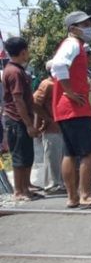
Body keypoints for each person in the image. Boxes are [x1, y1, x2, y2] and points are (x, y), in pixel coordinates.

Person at [50, 10, 91, 209]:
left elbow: (54, 66)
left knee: (71, 153)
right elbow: (57, 65)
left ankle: (73, 197)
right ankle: (86, 194)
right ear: (72, 28)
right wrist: (68, 90)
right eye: (84, 25)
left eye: (88, 24)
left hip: (68, 107)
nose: (88, 28)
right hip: (74, 107)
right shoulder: (71, 44)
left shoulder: (75, 46)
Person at [1, 37, 40, 201]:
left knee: (26, 155)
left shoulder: (16, 70)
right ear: (23, 52)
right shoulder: (15, 72)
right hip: (16, 119)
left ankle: (25, 188)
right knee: (19, 156)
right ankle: (19, 191)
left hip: (20, 119)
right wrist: (29, 124)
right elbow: (18, 100)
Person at [32, 61, 65, 195]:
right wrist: (46, 118)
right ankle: (52, 185)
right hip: (51, 127)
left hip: (62, 125)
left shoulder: (60, 83)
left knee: (60, 156)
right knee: (52, 157)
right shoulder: (47, 84)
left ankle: (60, 183)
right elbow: (34, 103)